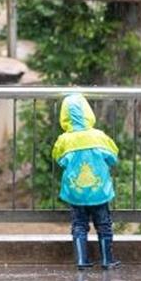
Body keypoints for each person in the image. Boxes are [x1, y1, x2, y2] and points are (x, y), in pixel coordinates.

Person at [53, 93, 121, 270]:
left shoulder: (64, 140)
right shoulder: (99, 136)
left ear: (64, 116)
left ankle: (82, 260)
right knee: (104, 225)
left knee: (79, 225)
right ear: (88, 112)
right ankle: (107, 260)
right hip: (99, 192)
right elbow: (113, 157)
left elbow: (59, 159)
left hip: (76, 194)